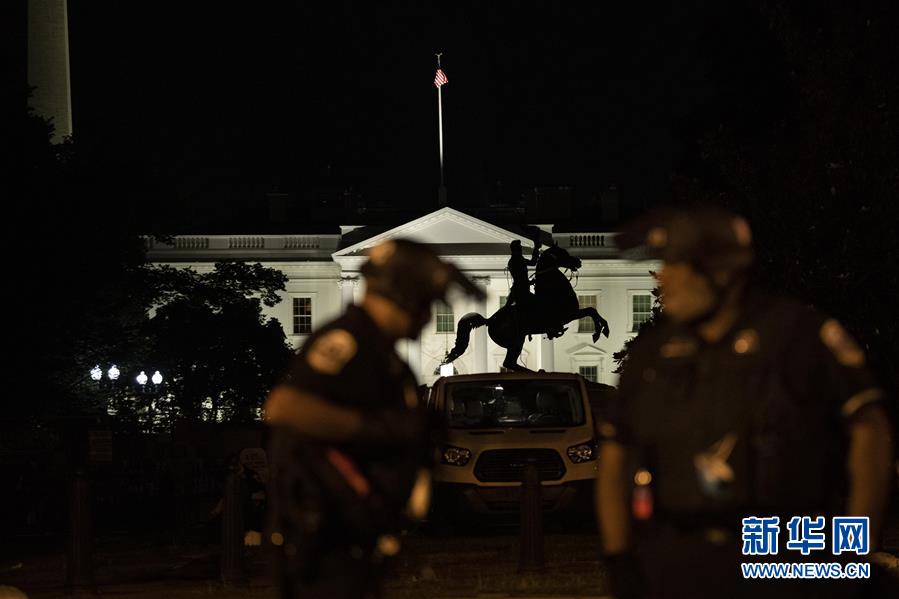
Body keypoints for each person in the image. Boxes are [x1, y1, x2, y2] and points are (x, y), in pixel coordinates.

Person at [596, 205, 894, 599]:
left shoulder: (798, 336)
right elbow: (616, 456)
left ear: (720, 273)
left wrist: (856, 550)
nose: (661, 276)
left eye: (675, 265)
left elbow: (870, 428)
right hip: (677, 561)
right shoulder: (651, 354)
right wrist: (619, 560)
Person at [264, 238, 484, 599]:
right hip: (325, 543)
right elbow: (286, 406)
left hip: (357, 539)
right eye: (427, 303)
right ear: (404, 295)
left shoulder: (383, 354)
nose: (429, 317)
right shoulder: (348, 340)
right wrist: (379, 430)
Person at [506, 238, 541, 308]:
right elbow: (519, 279)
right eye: (520, 248)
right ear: (516, 249)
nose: (521, 249)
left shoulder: (519, 259)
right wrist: (530, 282)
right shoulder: (515, 261)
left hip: (522, 289)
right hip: (520, 291)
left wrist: (536, 248)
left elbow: (533, 263)